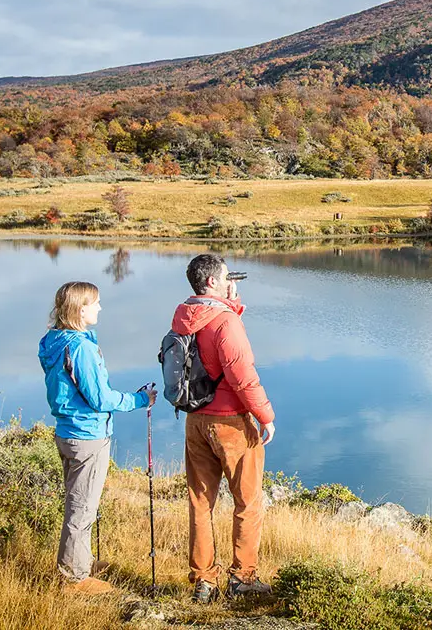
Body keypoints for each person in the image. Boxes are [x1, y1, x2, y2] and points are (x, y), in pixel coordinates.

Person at [38, 280, 156, 596]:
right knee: (83, 508)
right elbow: (101, 399)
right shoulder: (80, 347)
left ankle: (81, 560)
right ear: (81, 308)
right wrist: (140, 400)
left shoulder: (54, 340)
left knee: (80, 502)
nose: (100, 308)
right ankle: (74, 579)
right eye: (96, 303)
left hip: (68, 432)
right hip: (87, 436)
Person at [172, 254, 276, 603]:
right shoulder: (225, 322)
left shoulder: (185, 316)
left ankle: (204, 581)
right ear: (213, 281)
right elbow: (241, 373)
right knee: (248, 501)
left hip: (195, 420)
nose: (232, 279)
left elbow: (206, 352)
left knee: (200, 503)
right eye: (226, 276)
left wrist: (231, 305)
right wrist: (265, 416)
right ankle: (242, 578)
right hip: (230, 421)